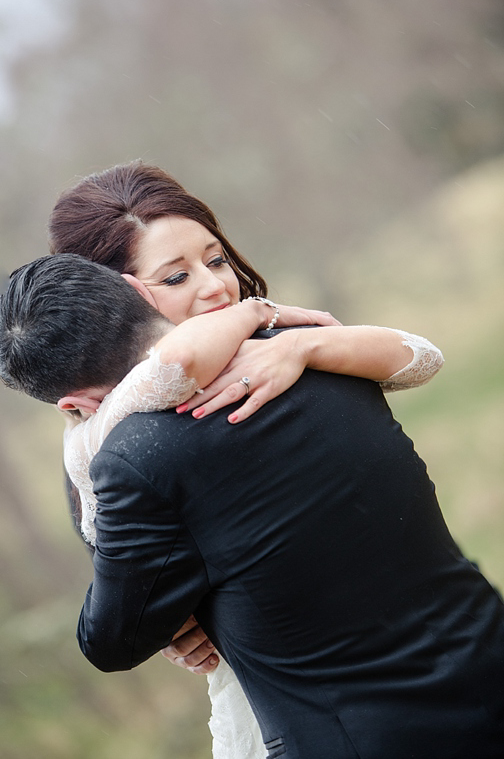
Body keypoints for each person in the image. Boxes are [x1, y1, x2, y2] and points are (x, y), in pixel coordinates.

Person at [0, 253, 504, 758]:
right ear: (141, 291)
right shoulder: (307, 351)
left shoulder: (134, 458)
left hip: (368, 739)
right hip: (487, 659)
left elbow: (111, 642)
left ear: (72, 406)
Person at [46, 162, 446, 756]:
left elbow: (421, 356)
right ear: (117, 300)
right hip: (280, 702)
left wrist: (302, 343)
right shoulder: (111, 430)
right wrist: (166, 623)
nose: (215, 287)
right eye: (176, 277)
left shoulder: (274, 348)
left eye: (214, 259)